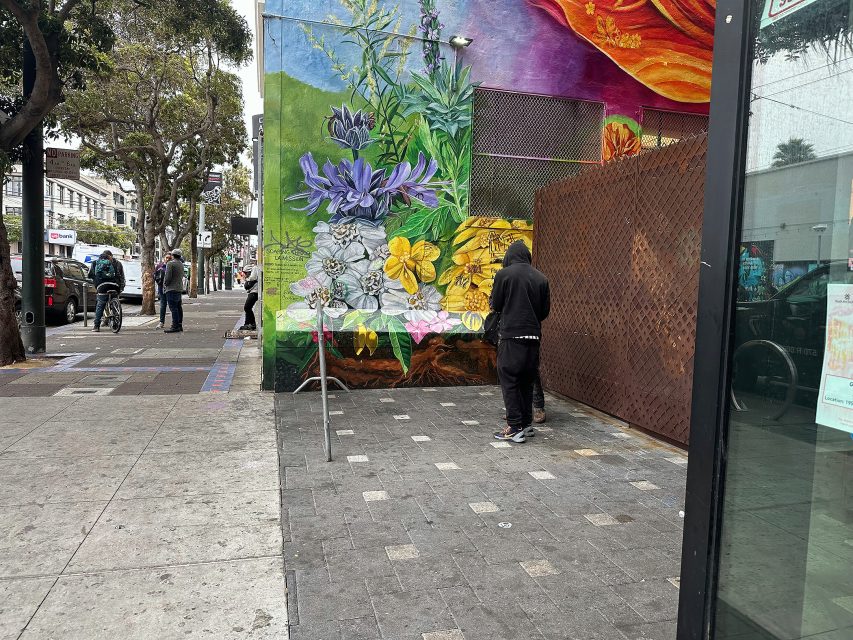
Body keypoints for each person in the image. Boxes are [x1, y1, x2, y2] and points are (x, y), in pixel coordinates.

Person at [490, 240, 550, 443]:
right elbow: (544, 312)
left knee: (509, 380)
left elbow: (496, 304)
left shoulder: (504, 275)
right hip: (533, 337)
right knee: (526, 379)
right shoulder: (542, 278)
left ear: (509, 256)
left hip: (511, 336)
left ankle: (514, 427)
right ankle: (525, 424)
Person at [87, 250, 125, 332]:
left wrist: (96, 280)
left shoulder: (94, 263)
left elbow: (89, 275)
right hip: (114, 286)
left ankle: (96, 326)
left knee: (100, 305)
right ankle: (115, 322)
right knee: (114, 301)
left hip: (102, 287)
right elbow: (119, 275)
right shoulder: (114, 263)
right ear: (109, 257)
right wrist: (120, 287)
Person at [163, 249, 184, 333]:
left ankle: (174, 326)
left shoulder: (170, 264)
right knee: (178, 307)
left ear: (173, 255)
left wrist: (165, 284)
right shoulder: (181, 264)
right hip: (178, 288)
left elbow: (167, 277)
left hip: (171, 288)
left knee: (173, 308)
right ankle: (179, 325)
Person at [240, 263, 261, 331]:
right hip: (252, 292)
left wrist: (247, 279)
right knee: (247, 308)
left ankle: (252, 324)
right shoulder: (252, 273)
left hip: (255, 292)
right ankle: (247, 323)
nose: (245, 274)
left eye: (246, 273)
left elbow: (253, 278)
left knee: (247, 307)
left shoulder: (254, 270)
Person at [154, 253, 171, 329]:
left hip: (170, 288)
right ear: (164, 258)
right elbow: (155, 274)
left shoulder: (172, 266)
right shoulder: (159, 266)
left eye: (169, 258)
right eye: (166, 257)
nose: (167, 259)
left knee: (172, 305)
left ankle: (175, 322)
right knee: (163, 305)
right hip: (161, 288)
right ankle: (161, 322)